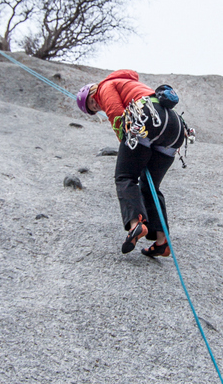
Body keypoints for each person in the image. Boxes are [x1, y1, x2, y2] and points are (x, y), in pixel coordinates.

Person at [77, 69, 186, 257]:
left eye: (91, 101)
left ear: (92, 90)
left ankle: (137, 225)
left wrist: (126, 146)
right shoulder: (128, 84)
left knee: (125, 176)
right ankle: (162, 242)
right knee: (149, 184)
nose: (95, 105)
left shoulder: (105, 86)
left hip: (148, 120)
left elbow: (116, 113)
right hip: (175, 128)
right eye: (93, 109)